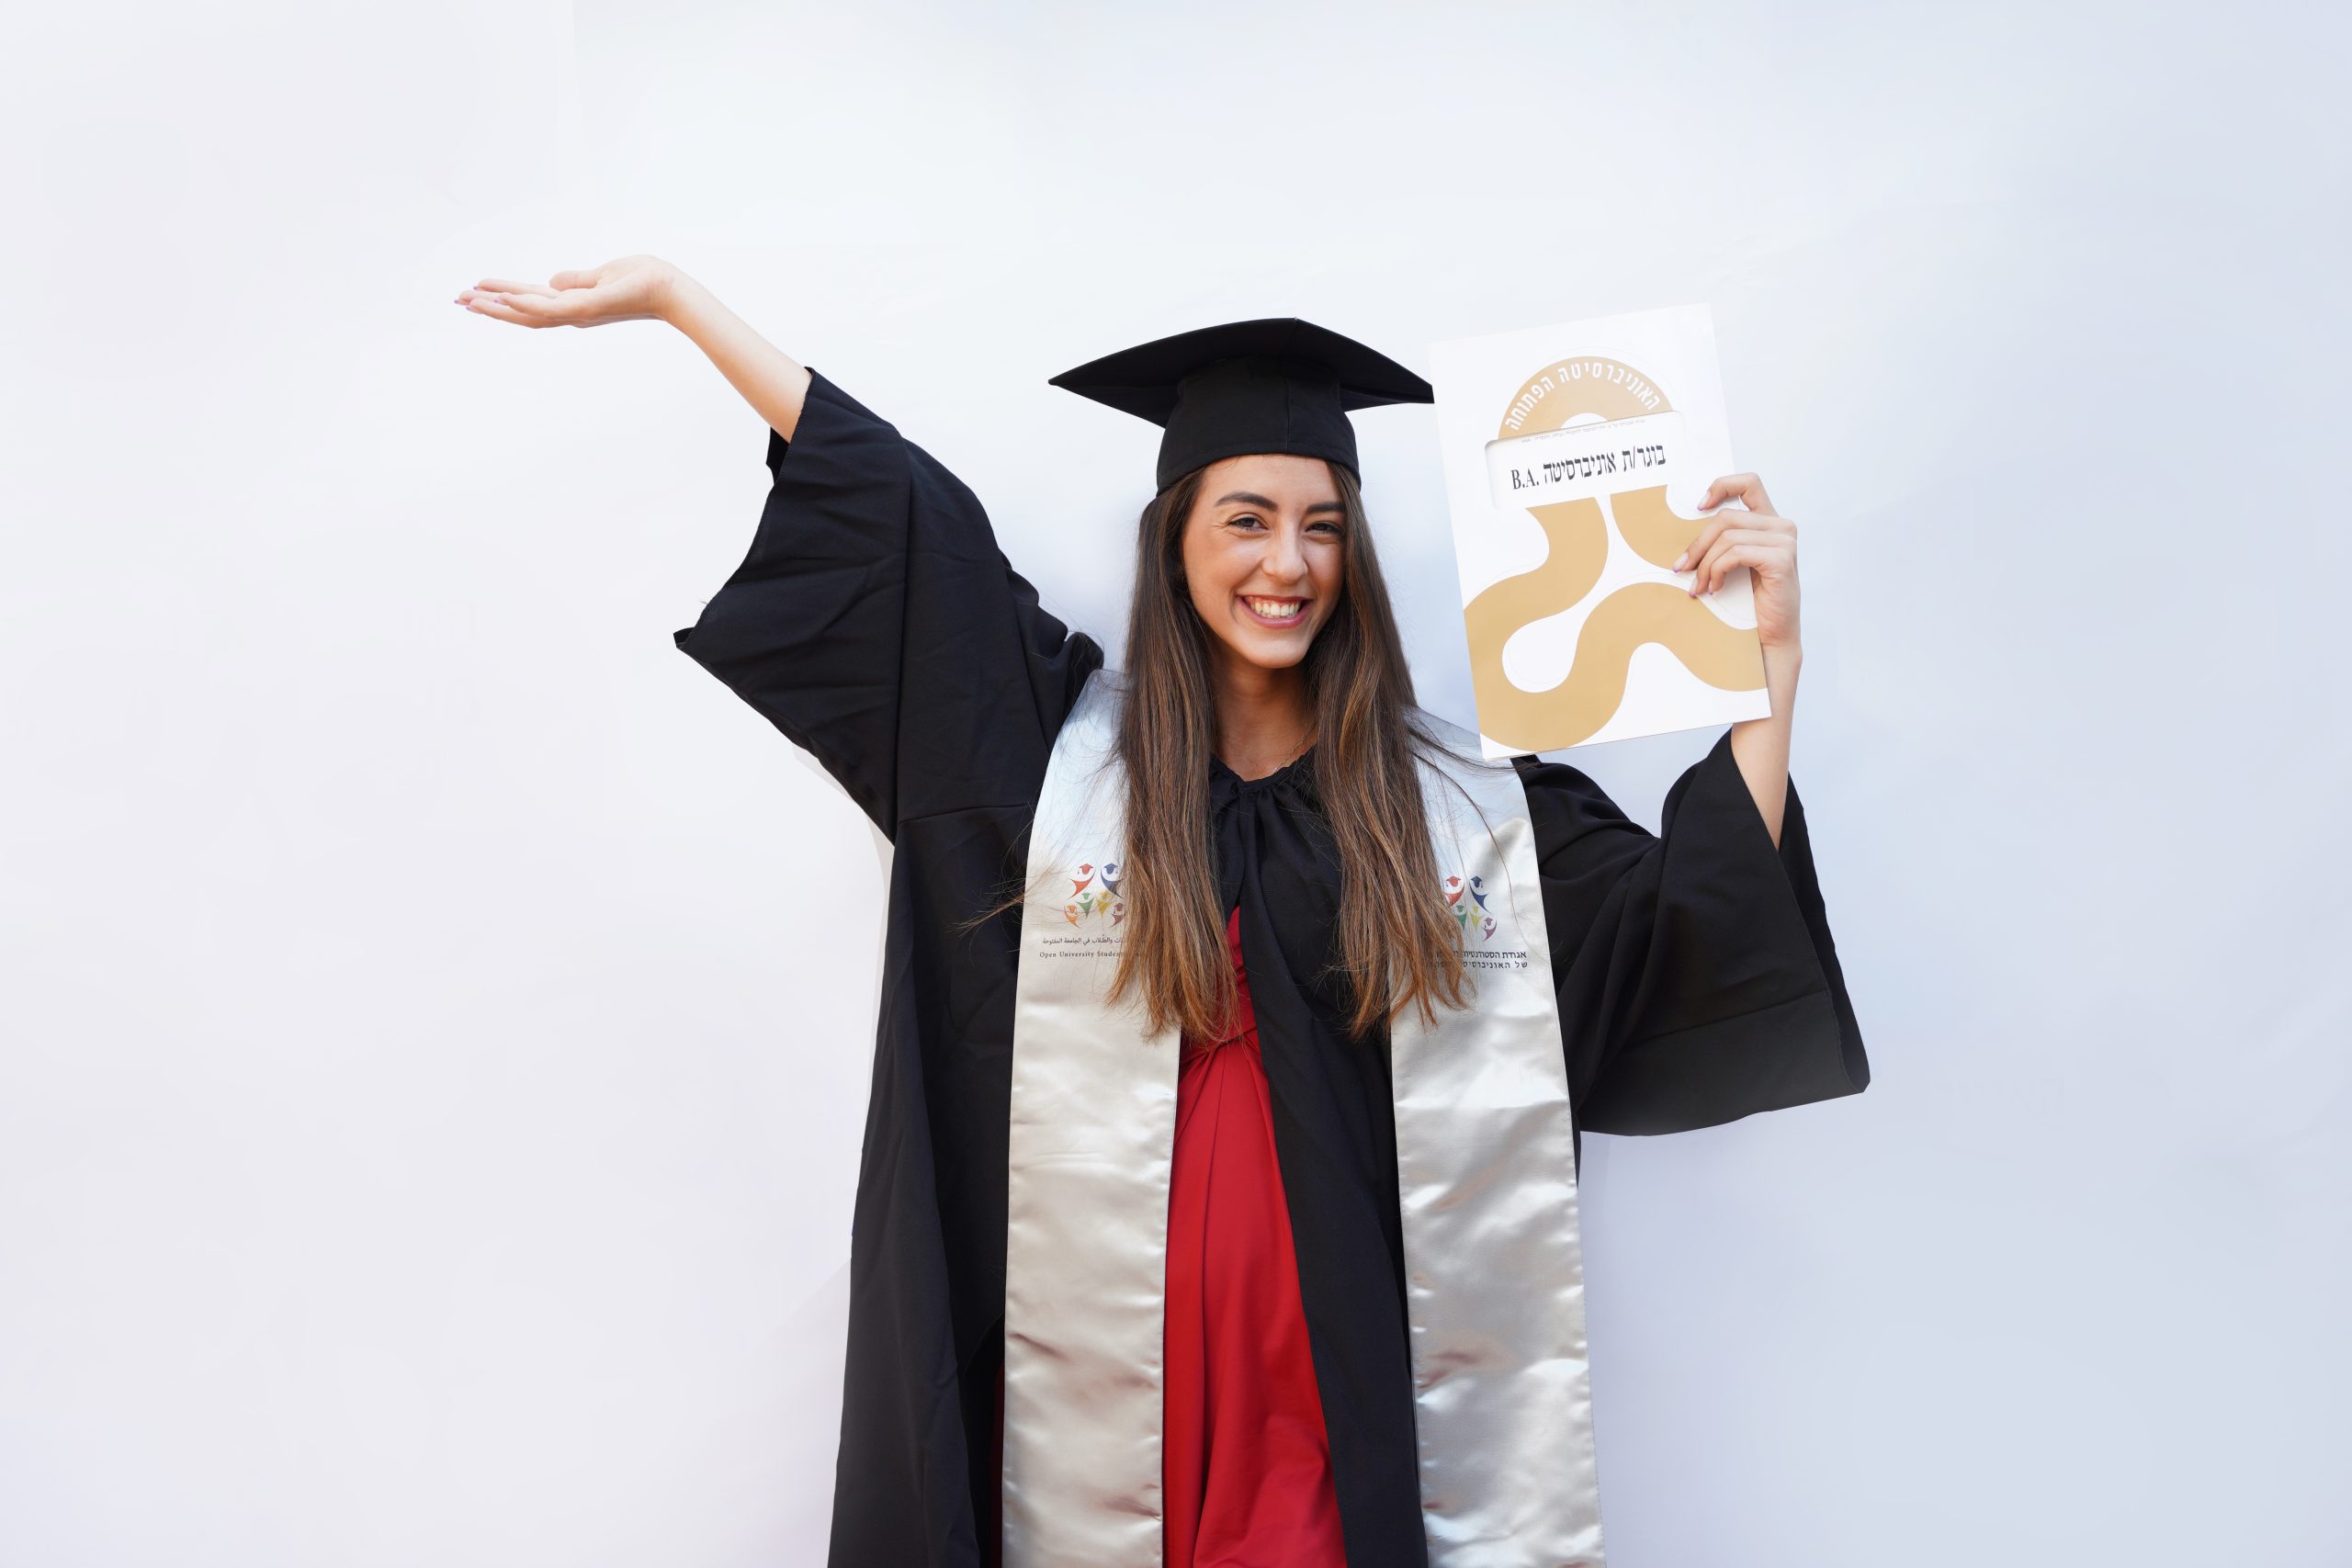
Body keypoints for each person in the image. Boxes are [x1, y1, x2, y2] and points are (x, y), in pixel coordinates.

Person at [456, 257, 1870, 1568]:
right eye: (1245, 520)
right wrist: (679, 304)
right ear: (1176, 539)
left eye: (1323, 527)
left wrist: (1769, 667)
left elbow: (1683, 932)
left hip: (1340, 1391)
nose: (1287, 563)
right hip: (1099, 1382)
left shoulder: (1455, 810)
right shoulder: (1061, 759)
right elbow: (909, 528)